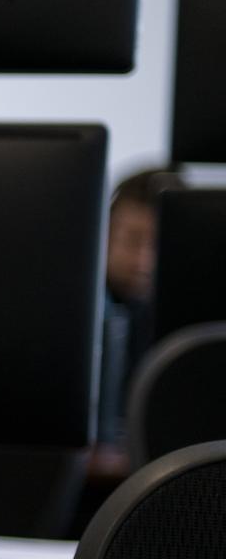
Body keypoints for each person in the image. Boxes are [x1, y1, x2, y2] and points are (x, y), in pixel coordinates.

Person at [99, 165, 187, 442]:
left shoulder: (188, 322)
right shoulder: (79, 313)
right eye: (131, 239)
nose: (142, 261)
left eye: (157, 243)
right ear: (106, 233)